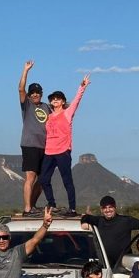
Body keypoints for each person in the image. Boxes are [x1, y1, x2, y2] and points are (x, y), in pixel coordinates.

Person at [38, 75, 90, 215]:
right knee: (43, 179)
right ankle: (52, 204)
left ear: (62, 102)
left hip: (63, 151)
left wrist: (82, 87)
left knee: (67, 180)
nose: (55, 100)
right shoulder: (48, 116)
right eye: (53, 98)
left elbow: (77, 101)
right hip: (49, 152)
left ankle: (72, 208)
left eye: (58, 98)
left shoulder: (67, 113)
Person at [80, 196, 139, 265]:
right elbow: (85, 217)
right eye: (105, 208)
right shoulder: (99, 221)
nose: (108, 210)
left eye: (110, 207)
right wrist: (87, 226)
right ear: (101, 210)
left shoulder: (126, 221)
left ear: (115, 207)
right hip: (104, 265)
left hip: (123, 266)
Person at [18, 60, 52, 214]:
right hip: (30, 145)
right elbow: (21, 89)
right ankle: (27, 208)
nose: (35, 94)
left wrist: (81, 90)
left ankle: (32, 205)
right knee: (30, 177)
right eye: (32, 92)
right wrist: (26, 70)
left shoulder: (46, 107)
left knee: (43, 179)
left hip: (45, 147)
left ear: (41, 94)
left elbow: (64, 106)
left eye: (37, 92)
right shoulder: (27, 105)